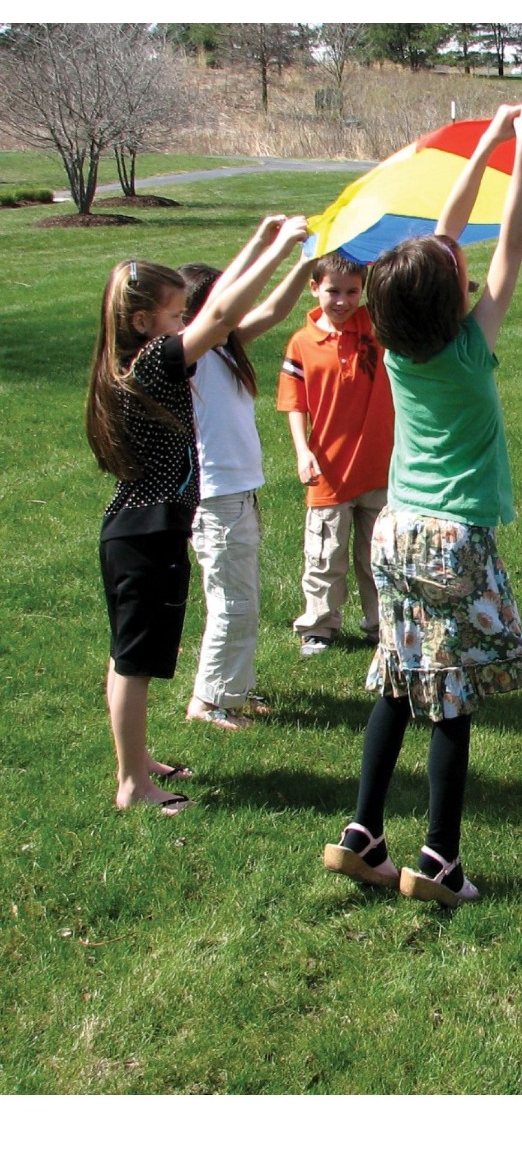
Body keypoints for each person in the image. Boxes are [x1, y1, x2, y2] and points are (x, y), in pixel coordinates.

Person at [323, 101, 522, 906]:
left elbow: (443, 234)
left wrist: (494, 139)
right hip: (452, 539)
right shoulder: (470, 347)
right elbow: (512, 239)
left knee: (399, 677)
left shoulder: (394, 346)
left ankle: (362, 835)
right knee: (450, 699)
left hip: (393, 533)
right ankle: (439, 864)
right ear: (457, 295)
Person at [87, 215, 310, 815]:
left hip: (134, 528)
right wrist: (273, 248)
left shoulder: (132, 361)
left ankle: (136, 762)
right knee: (134, 664)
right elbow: (218, 316)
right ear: (143, 323)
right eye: (173, 315)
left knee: (125, 656)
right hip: (149, 530)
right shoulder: (157, 361)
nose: (185, 323)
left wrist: (262, 246)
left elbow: (216, 314)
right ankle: (133, 784)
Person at [182, 242, 317, 729]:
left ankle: (230, 688)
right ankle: (210, 700)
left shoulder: (224, 347)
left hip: (237, 497)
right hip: (216, 499)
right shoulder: (190, 357)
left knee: (241, 599)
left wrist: (306, 261)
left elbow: (275, 307)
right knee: (233, 603)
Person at [276, 252, 393, 657]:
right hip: (327, 470)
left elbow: (389, 285)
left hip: (378, 466)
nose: (342, 301)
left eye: (351, 292)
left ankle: (383, 625)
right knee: (325, 554)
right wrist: (302, 450)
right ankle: (320, 625)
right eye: (332, 291)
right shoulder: (302, 342)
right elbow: (295, 403)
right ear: (314, 288)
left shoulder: (372, 326)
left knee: (377, 555)